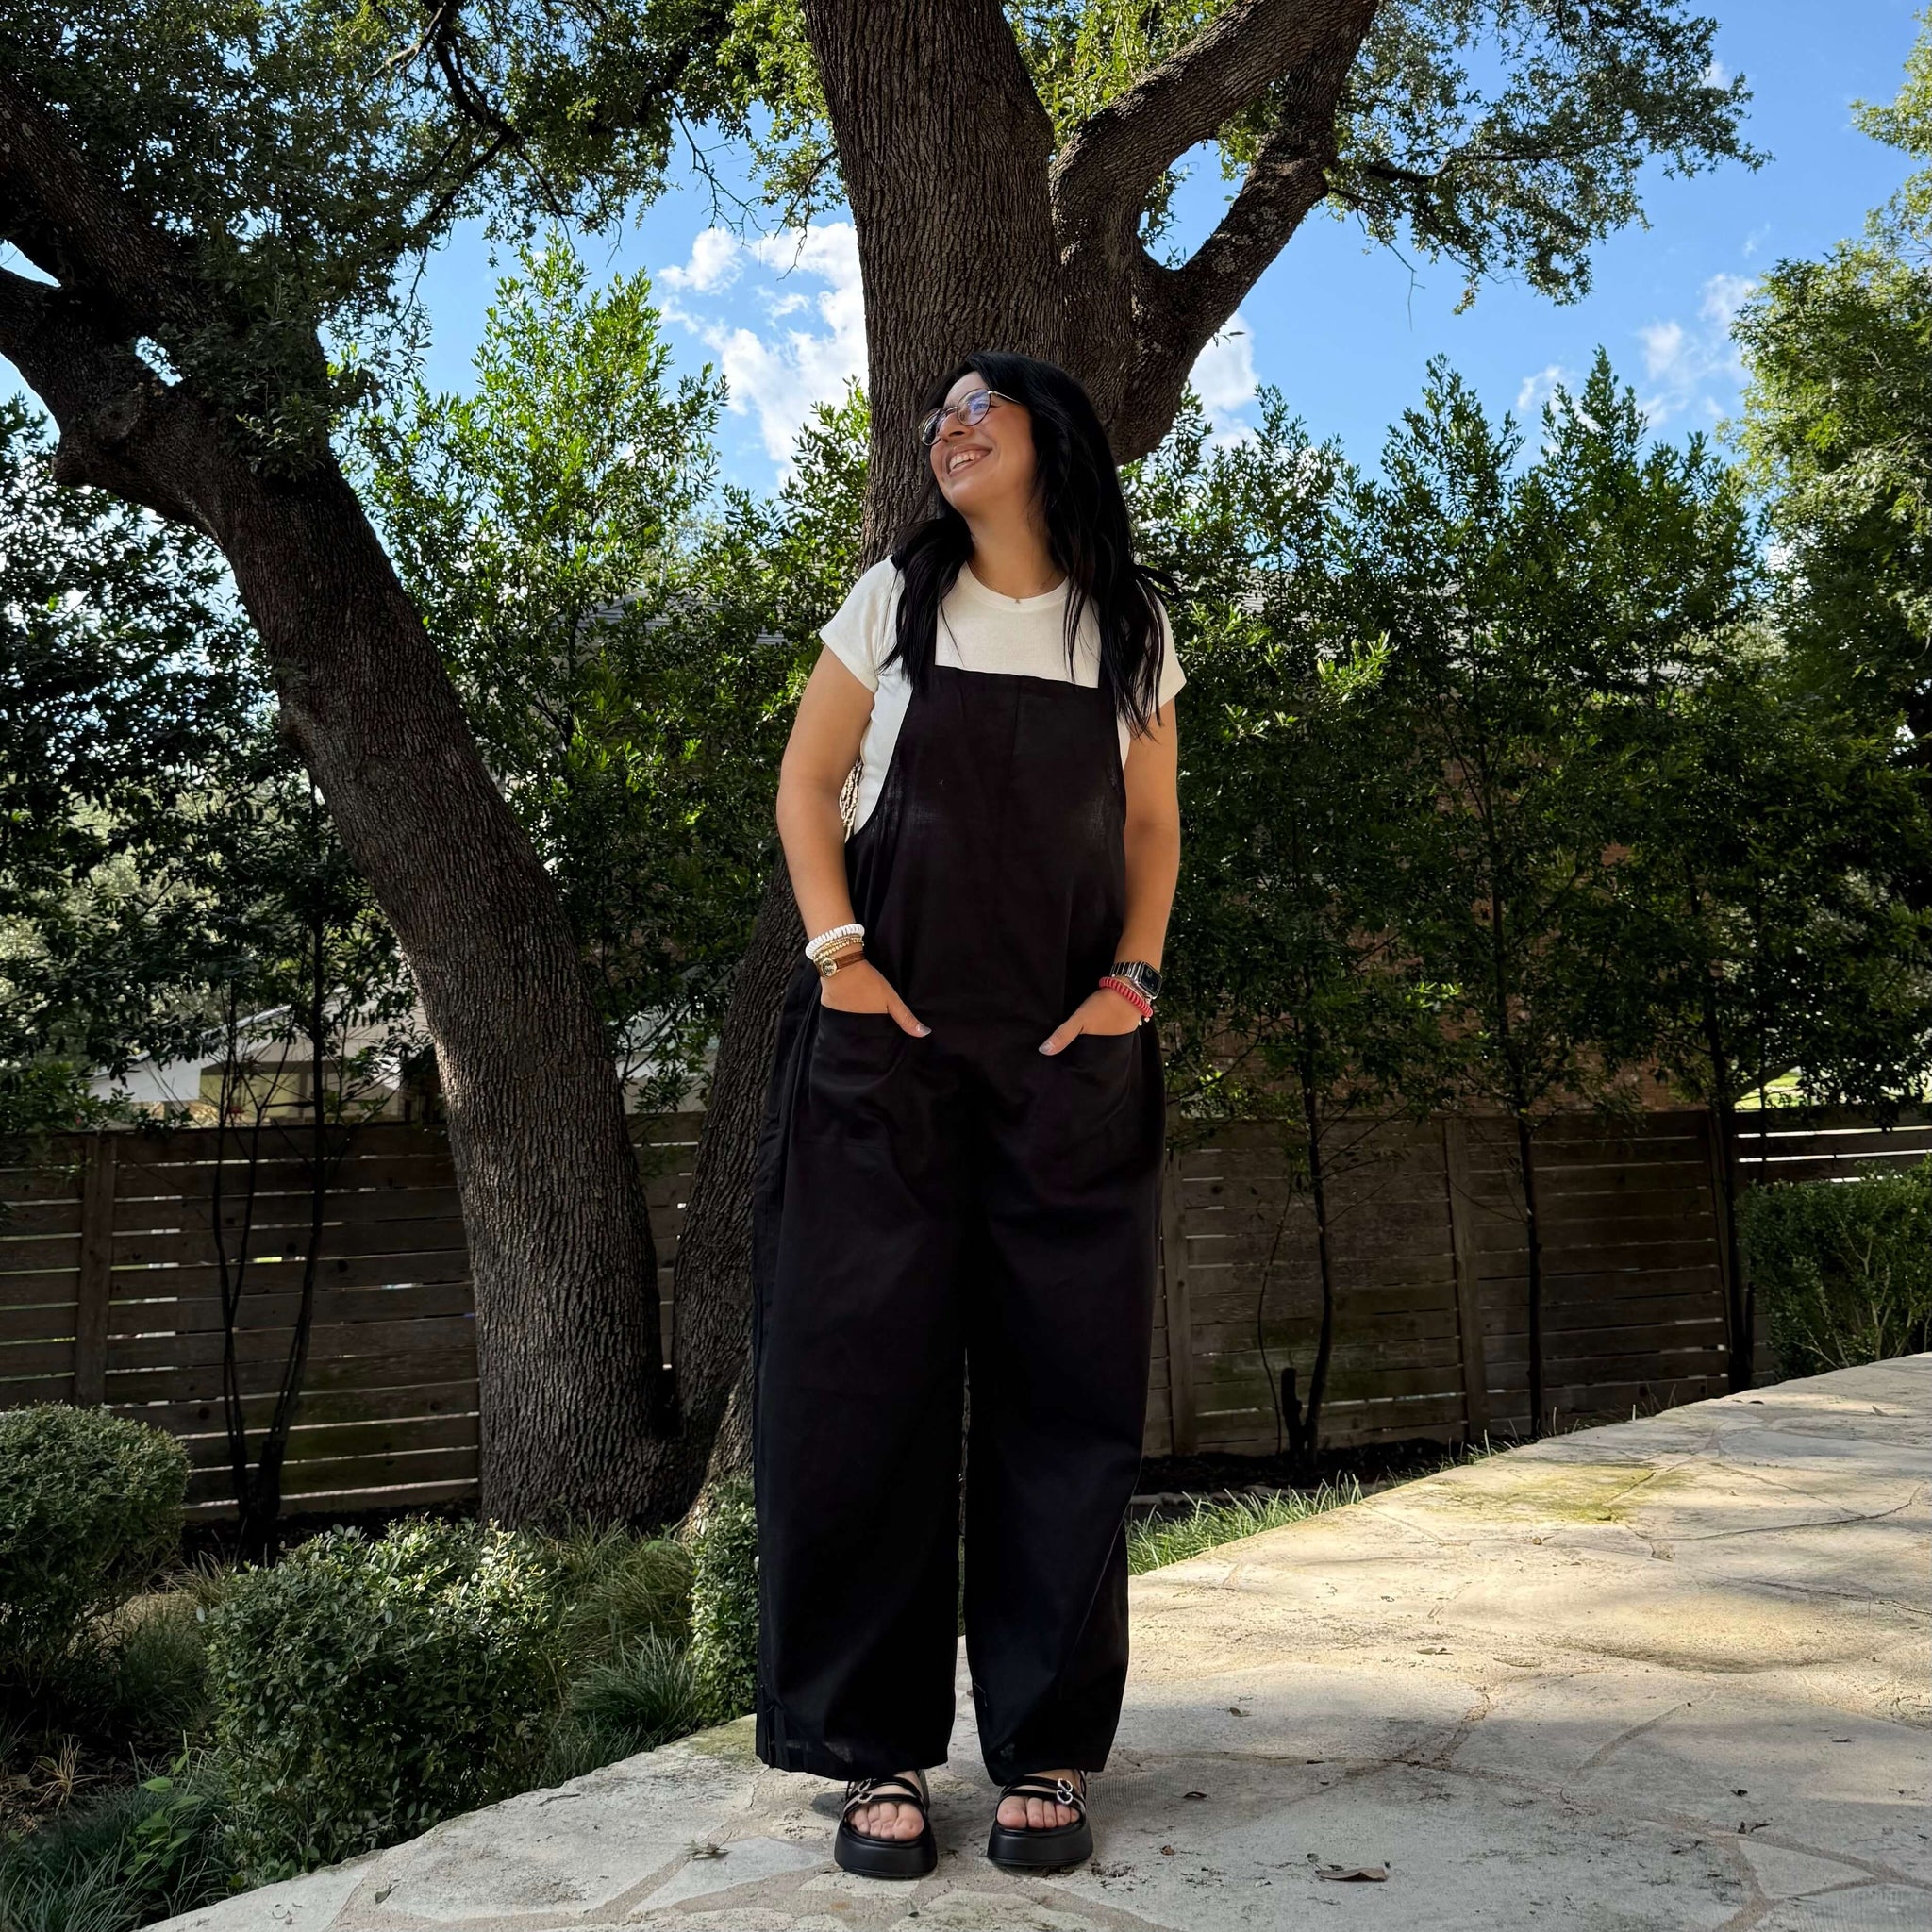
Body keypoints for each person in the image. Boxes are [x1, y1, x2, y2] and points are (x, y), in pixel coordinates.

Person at [751, 350, 1183, 1881]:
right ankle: (870, 1750)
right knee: (855, 1389)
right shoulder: (896, 601)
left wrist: (1132, 983)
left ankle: (1048, 1741)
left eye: (983, 408)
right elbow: (807, 786)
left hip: (1068, 1063)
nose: (953, 428)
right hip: (883, 1060)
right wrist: (842, 960)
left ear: (1054, 439)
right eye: (940, 415)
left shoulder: (1128, 628)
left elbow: (1151, 826)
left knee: (1066, 1397)